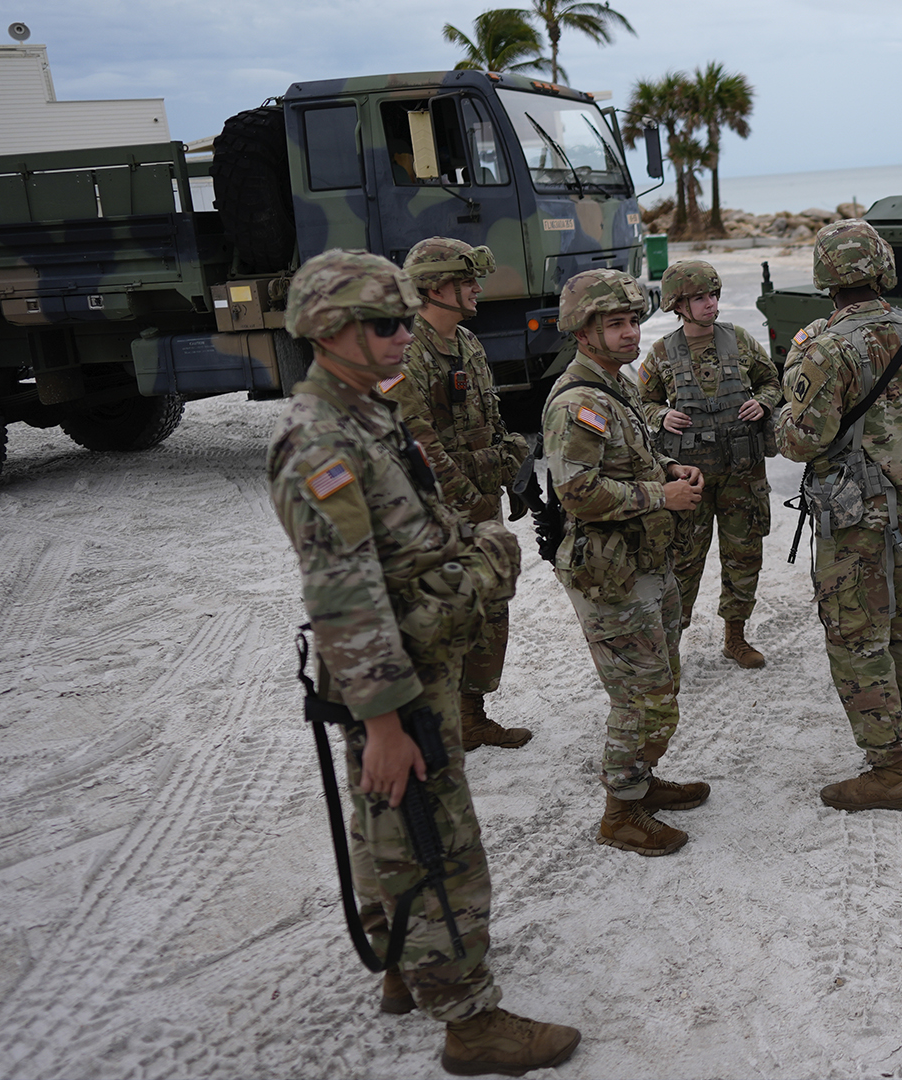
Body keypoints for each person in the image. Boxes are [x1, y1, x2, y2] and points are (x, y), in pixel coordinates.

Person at [267, 249, 578, 1074]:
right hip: (391, 679)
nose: (406, 334)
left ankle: (404, 965)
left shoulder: (366, 412)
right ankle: (471, 1022)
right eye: (386, 322)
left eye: (406, 318)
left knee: (391, 831)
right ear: (330, 330)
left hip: (418, 661)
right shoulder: (319, 441)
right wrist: (382, 721)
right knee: (435, 841)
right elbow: (342, 592)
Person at [778, 220, 902, 811]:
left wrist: (781, 417)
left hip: (856, 516)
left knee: (857, 637)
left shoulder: (822, 349)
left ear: (827, 276)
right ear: (883, 266)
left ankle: (888, 771)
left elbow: (802, 440)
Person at [541, 268, 710, 857]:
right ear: (582, 331)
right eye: (615, 323)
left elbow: (633, 454)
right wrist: (662, 496)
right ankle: (620, 812)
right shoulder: (580, 402)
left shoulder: (620, 384)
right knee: (641, 697)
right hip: (609, 573)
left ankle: (641, 784)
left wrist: (667, 467)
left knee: (662, 684)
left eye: (634, 321)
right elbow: (578, 491)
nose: (630, 333)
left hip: (643, 561)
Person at [382, 236, 533, 751]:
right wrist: (470, 503)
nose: (476, 289)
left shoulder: (468, 344)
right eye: (465, 281)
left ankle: (471, 715)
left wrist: (510, 470)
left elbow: (489, 423)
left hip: (478, 506)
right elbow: (418, 446)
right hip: (435, 515)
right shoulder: (406, 350)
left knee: (488, 609)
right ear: (433, 287)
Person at [634, 259, 779, 668]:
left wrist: (762, 402)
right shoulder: (662, 352)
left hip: (742, 473)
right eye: (700, 298)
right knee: (682, 562)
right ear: (678, 305)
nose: (711, 304)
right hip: (690, 480)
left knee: (744, 555)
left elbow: (773, 382)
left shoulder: (741, 341)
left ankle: (736, 636)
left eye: (713, 295)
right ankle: (671, 644)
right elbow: (639, 401)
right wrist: (660, 415)